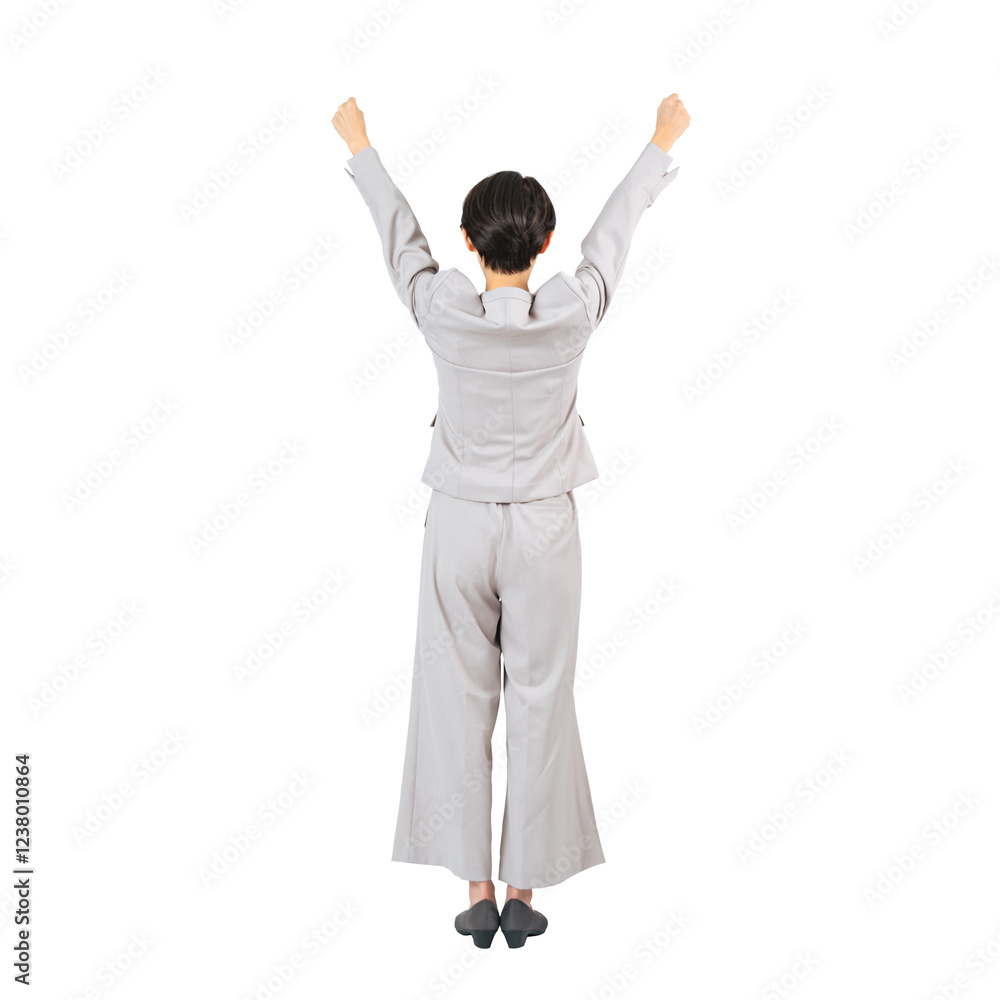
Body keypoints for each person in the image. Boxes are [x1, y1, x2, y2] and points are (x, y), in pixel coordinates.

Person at [332, 94, 690, 948]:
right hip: (545, 530)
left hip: (459, 525)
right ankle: (523, 889)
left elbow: (400, 243)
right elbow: (613, 238)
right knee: (541, 698)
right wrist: (658, 143)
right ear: (543, 243)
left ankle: (476, 889)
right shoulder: (572, 312)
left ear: (469, 243)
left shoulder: (441, 310)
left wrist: (363, 147)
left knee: (455, 699)